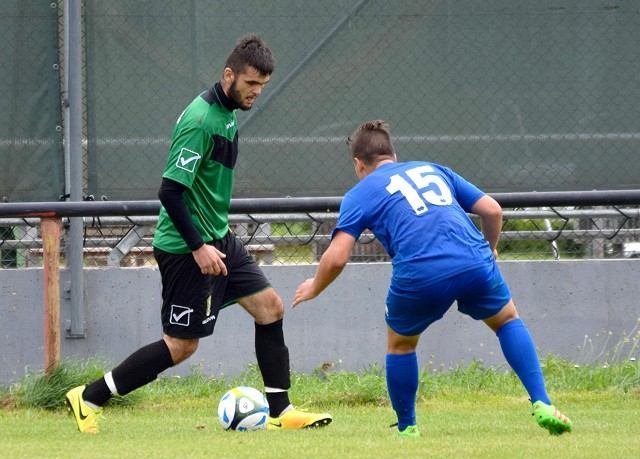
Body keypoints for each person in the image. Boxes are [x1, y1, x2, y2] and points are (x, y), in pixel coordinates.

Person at [66, 34, 332, 433]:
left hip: (217, 238)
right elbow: (170, 192)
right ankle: (88, 397)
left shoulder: (227, 111)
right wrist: (198, 247)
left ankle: (281, 411)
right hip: (186, 247)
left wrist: (212, 240)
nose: (256, 93)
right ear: (229, 75)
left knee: (270, 307)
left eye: (262, 86)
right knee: (181, 346)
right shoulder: (200, 121)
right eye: (251, 84)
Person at [292, 120, 572, 437]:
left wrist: (315, 286)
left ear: (359, 164)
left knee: (401, 345)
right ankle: (543, 403)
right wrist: (490, 249)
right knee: (507, 321)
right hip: (473, 260)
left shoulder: (360, 193)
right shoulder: (433, 168)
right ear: (393, 155)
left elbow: (338, 255)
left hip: (420, 273)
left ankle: (408, 427)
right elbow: (492, 210)